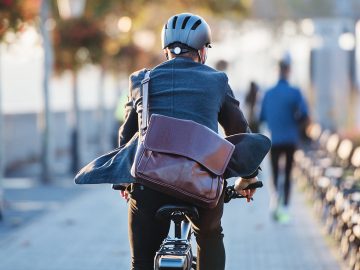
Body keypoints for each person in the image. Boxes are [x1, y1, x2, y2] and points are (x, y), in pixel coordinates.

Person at [116, 13, 261, 270]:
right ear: (203, 52)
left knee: (141, 260)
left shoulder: (141, 80)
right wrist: (248, 177)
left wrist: (124, 180)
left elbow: (127, 137)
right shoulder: (217, 80)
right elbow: (239, 133)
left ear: (166, 52)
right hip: (201, 184)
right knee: (209, 235)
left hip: (149, 184)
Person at [259, 56, 309, 224]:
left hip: (274, 139)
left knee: (274, 172)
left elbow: (262, 117)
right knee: (287, 173)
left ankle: (274, 201)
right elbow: (304, 115)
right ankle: (286, 207)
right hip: (290, 138)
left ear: (277, 70)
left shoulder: (268, 93)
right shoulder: (295, 92)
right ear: (288, 71)